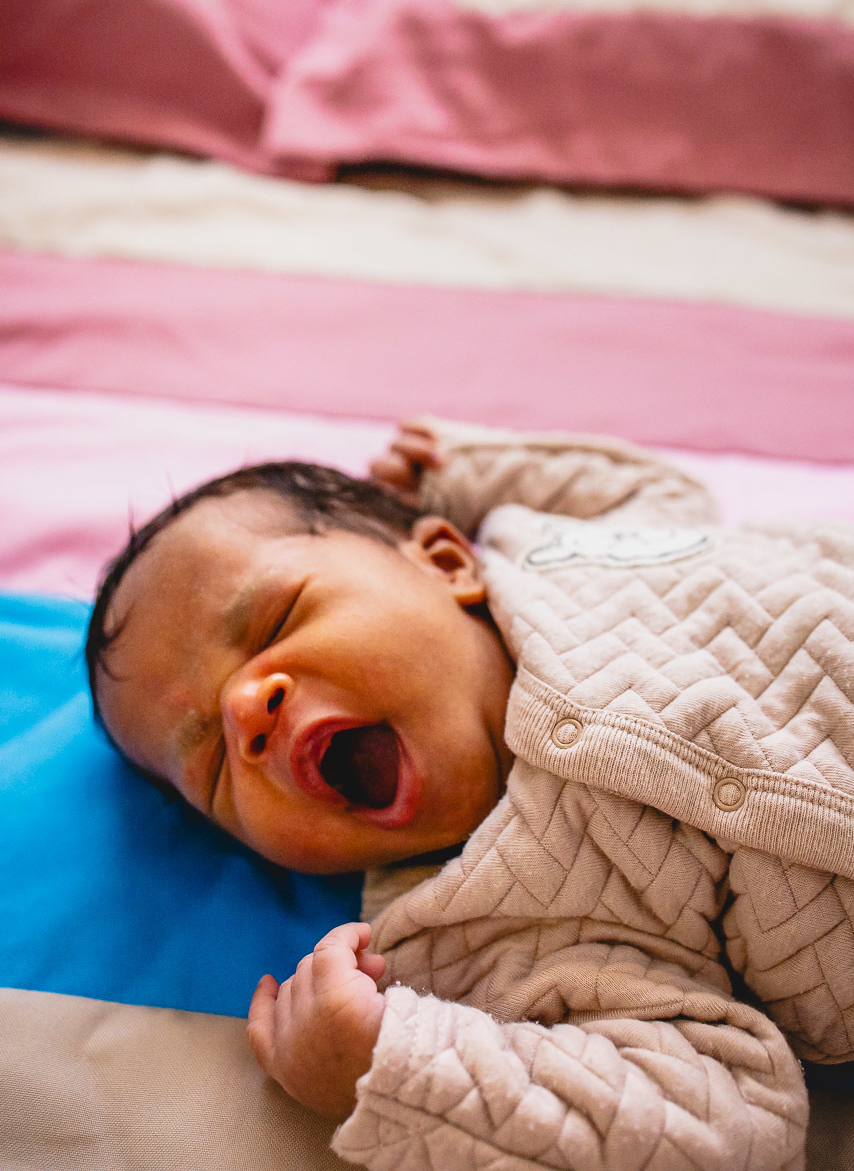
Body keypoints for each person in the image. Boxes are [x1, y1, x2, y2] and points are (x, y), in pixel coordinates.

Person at [85, 417, 854, 1171]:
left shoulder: (560, 548)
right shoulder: (479, 937)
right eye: (217, 764)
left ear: (448, 560)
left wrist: (461, 474)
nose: (244, 710)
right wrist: (396, 1069)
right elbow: (724, 1123)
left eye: (276, 621)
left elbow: (659, 492)